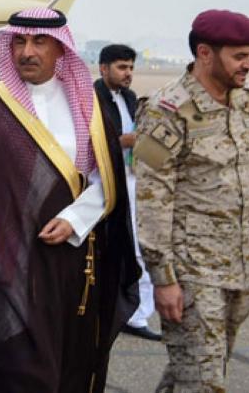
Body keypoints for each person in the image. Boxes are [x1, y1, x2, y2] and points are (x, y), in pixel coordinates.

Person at [0, 7, 139, 392]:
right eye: (19, 41)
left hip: (75, 262)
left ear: (61, 48)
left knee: (71, 363)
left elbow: (106, 177)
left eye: (39, 42)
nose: (26, 52)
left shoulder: (91, 105)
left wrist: (76, 218)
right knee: (16, 366)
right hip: (5, 263)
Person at [134, 9, 249, 392]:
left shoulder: (246, 105)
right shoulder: (169, 110)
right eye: (239, 56)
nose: (248, 65)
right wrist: (163, 279)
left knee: (196, 373)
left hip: (240, 269)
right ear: (205, 53)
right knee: (203, 384)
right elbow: (152, 196)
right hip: (193, 275)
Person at [93, 43, 159, 342]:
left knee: (139, 248)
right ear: (103, 68)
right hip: (99, 185)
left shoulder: (131, 98)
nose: (128, 73)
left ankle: (136, 314)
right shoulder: (92, 99)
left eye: (131, 67)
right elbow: (87, 145)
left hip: (133, 182)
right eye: (121, 67)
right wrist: (123, 141)